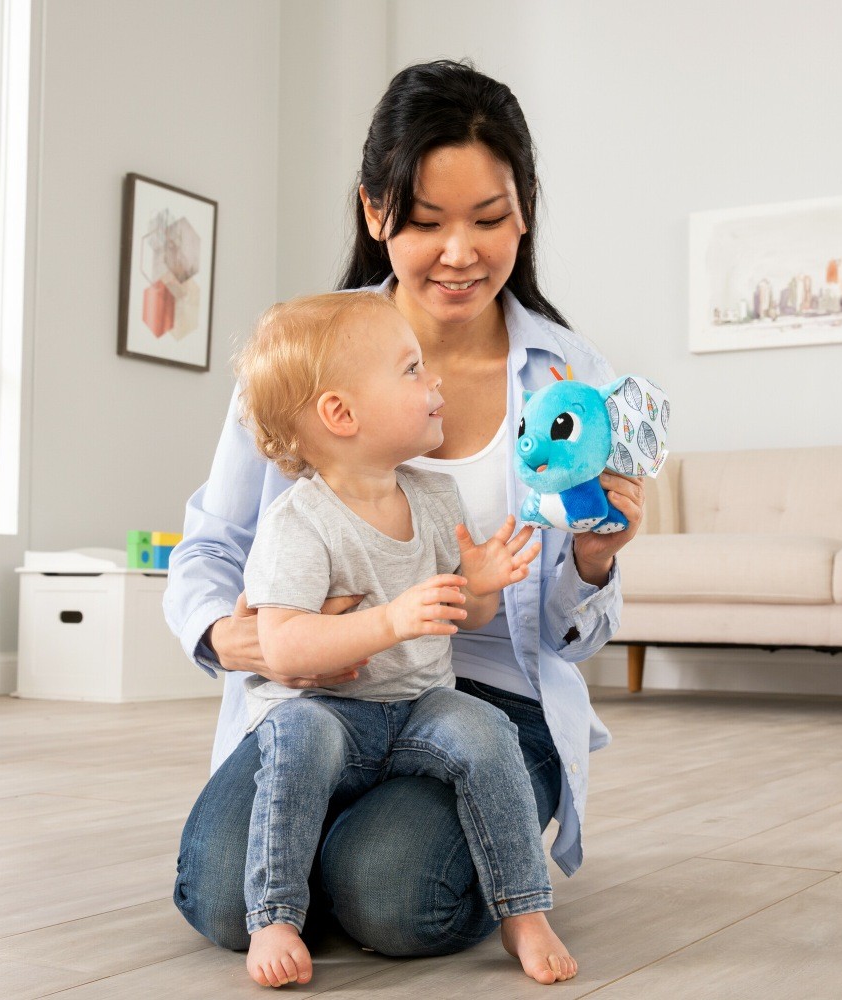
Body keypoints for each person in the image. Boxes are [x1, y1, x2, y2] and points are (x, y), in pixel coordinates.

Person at [166, 58, 644, 976]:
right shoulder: (306, 356)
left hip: (487, 699)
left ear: (526, 210)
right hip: (315, 696)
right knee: (223, 895)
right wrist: (245, 637)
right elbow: (213, 546)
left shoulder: (571, 381)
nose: (459, 252)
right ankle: (332, 850)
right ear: (374, 211)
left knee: (392, 896)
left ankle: (402, 856)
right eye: (426, 222)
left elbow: (562, 635)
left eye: (489, 218)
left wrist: (591, 557)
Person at [234, 290, 577, 987]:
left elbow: (461, 618)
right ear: (341, 413)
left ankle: (523, 909)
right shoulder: (300, 522)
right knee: (297, 737)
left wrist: (478, 587)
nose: (435, 383)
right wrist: (391, 619)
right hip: (331, 713)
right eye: (412, 370)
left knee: (486, 730)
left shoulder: (433, 498)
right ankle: (273, 913)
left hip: (420, 703)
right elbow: (285, 649)